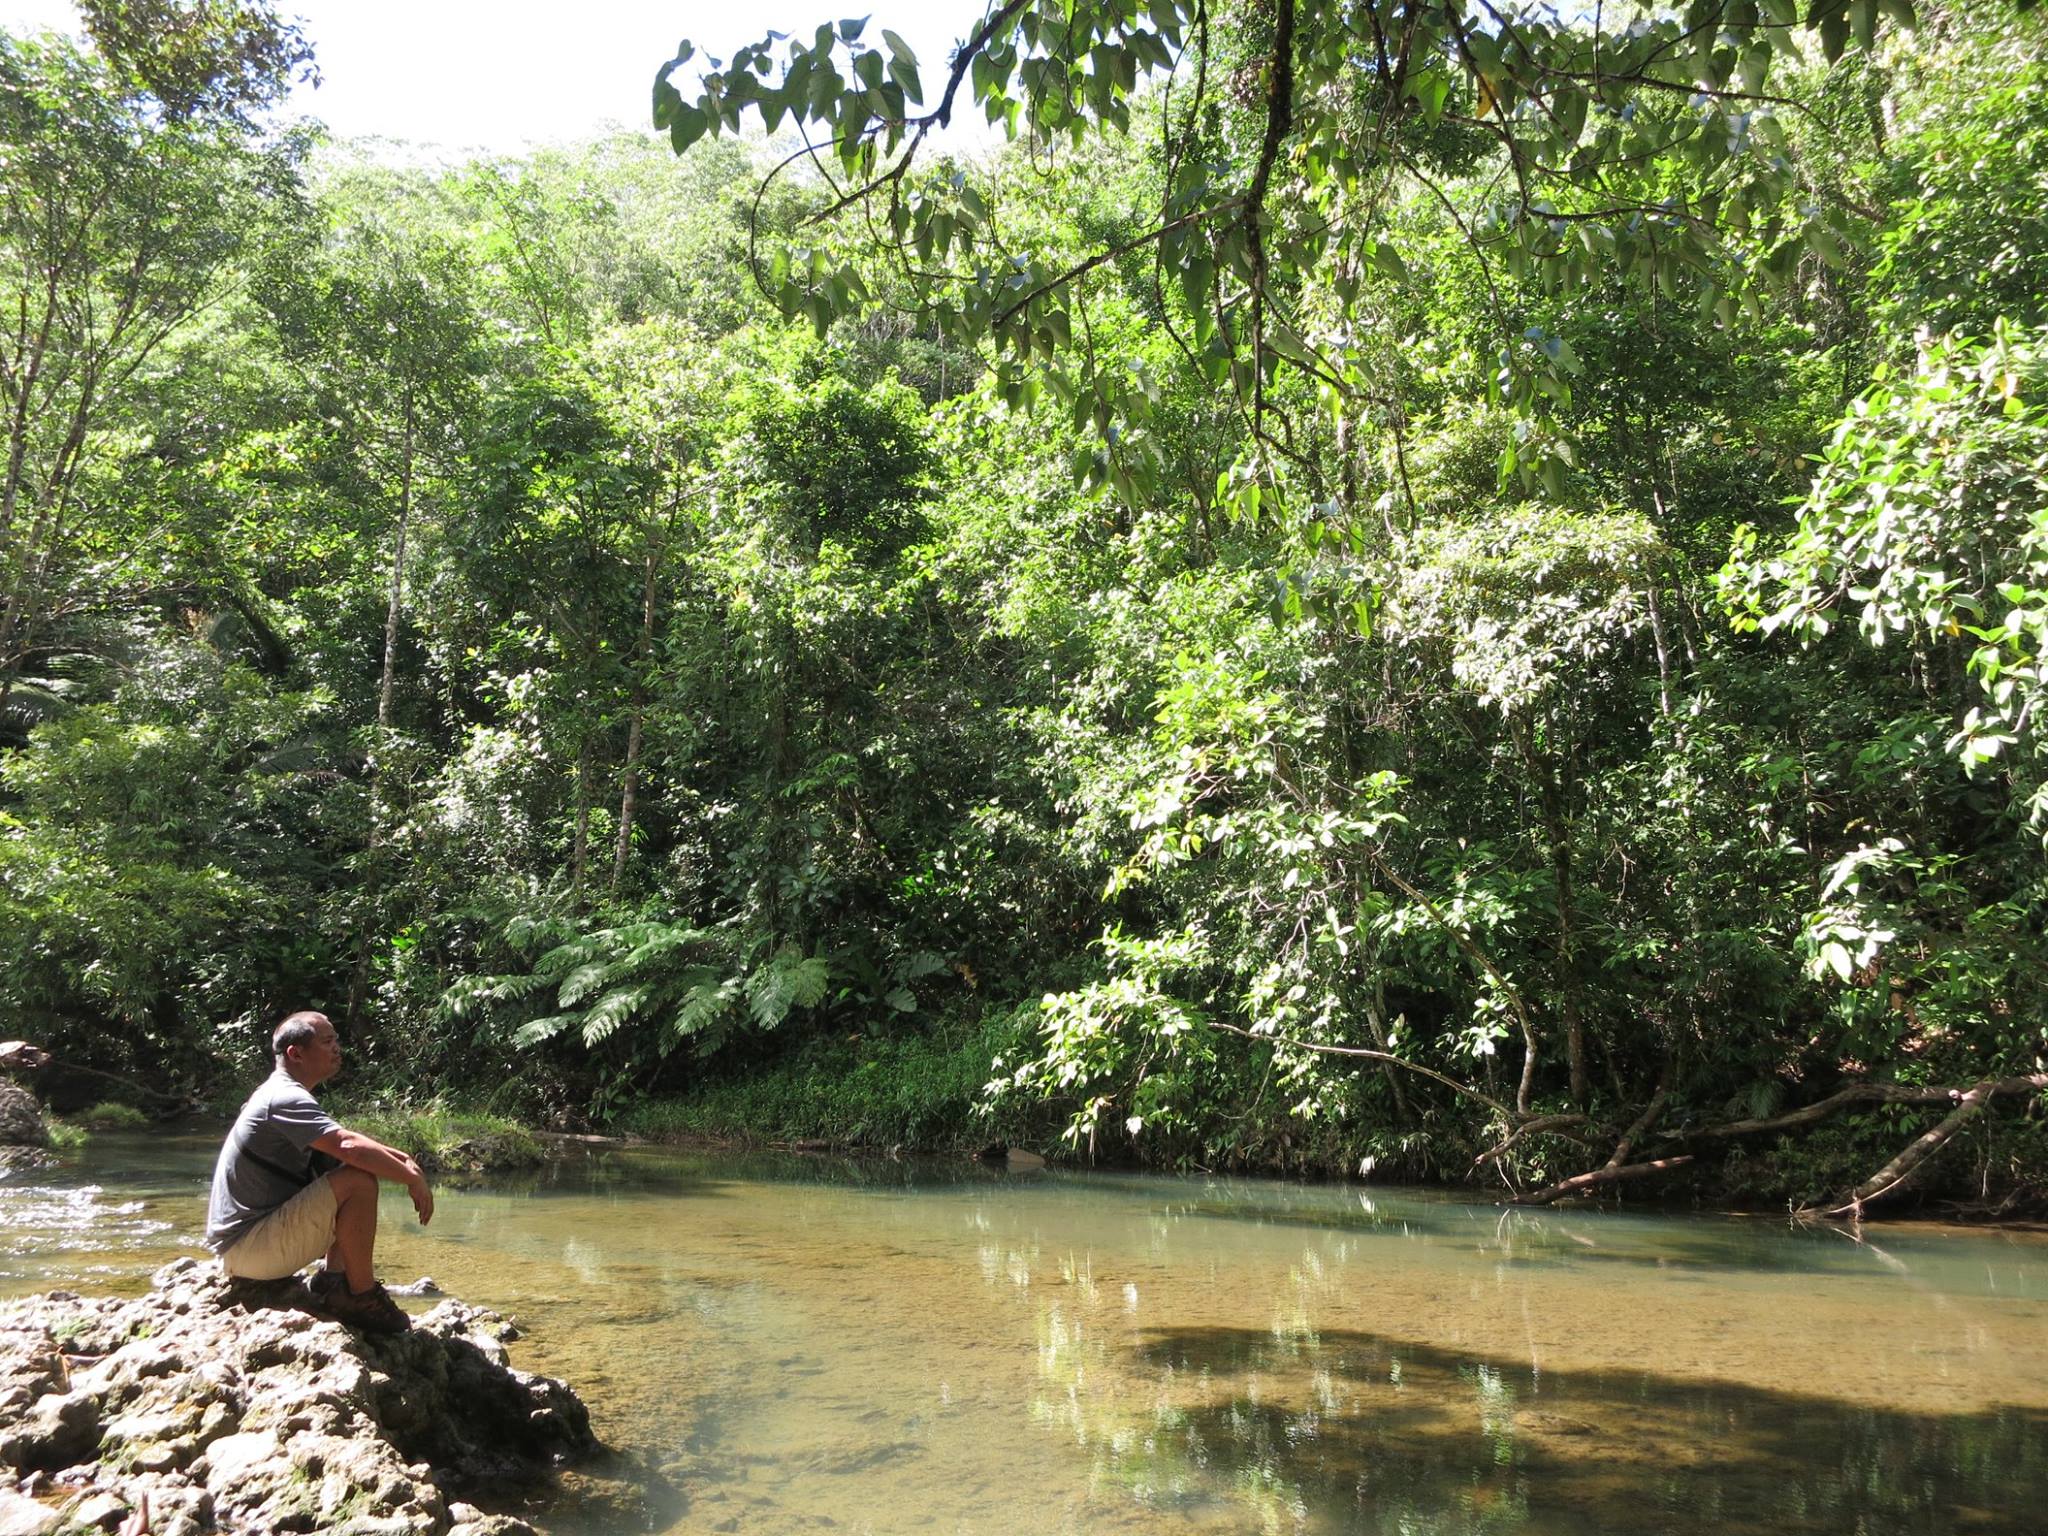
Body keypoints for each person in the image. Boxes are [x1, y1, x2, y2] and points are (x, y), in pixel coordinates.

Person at [203, 1010, 433, 1334]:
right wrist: (411, 1178)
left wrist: (403, 1159)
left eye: (335, 1040)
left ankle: (332, 1282)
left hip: (246, 1250)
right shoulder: (284, 1097)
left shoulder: (281, 1093)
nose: (337, 1048)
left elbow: (344, 1142)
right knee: (358, 1181)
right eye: (327, 1042)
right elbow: (349, 1145)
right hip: (249, 1250)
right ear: (295, 1054)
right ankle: (361, 1296)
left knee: (344, 1167)